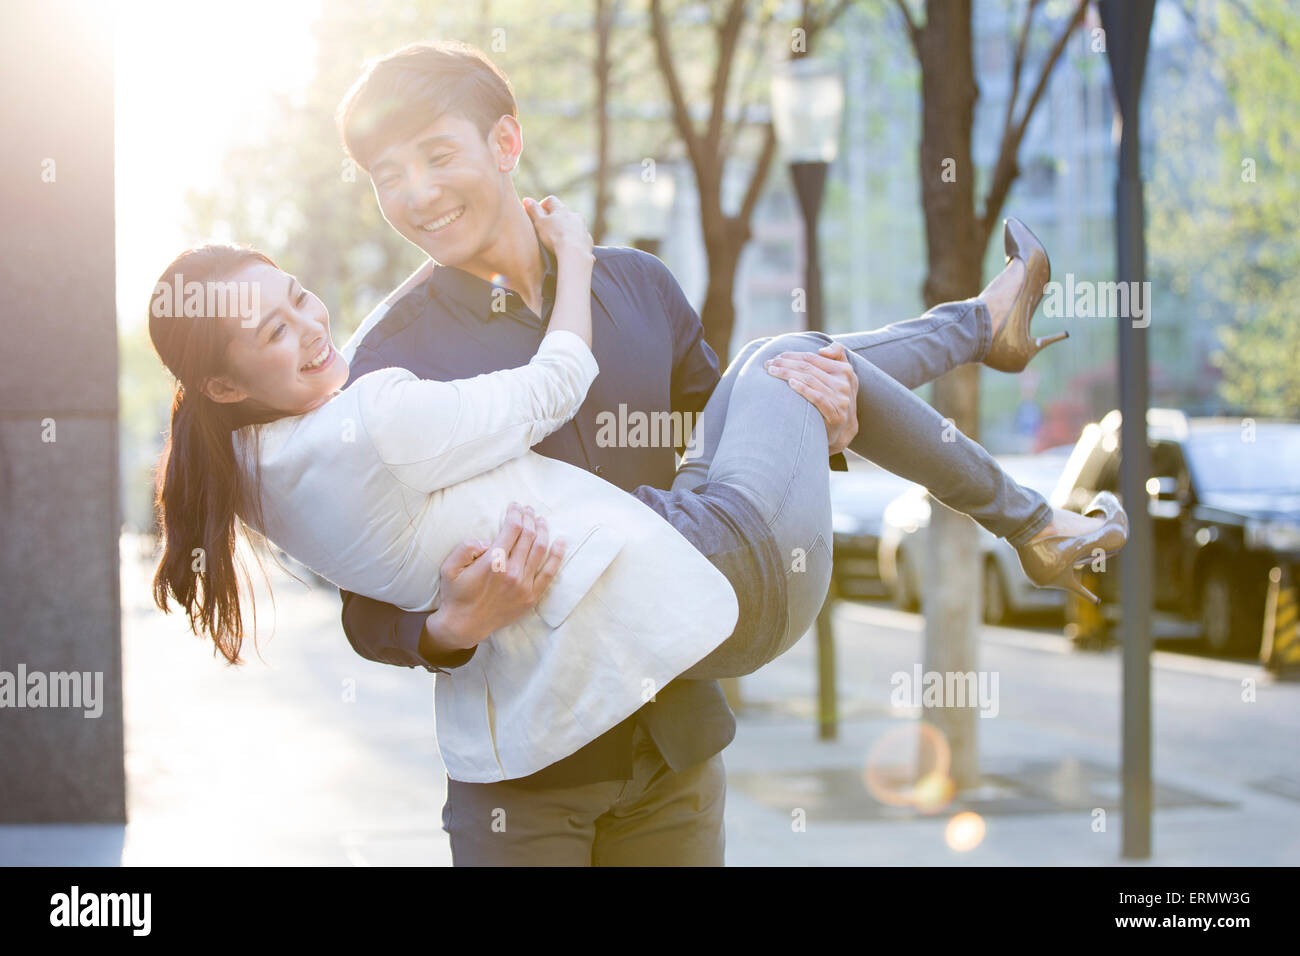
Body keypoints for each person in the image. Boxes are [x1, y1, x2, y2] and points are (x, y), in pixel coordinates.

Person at [150, 194, 1127, 859]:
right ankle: (996, 391)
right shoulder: (379, 363)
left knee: (787, 362)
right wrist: (444, 628)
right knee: (784, 354)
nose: (415, 191)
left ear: (507, 142)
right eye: (388, 172)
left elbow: (726, 424)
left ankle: (993, 379)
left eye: (435, 155)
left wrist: (828, 420)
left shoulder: (637, 287)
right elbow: (370, 597)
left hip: (673, 719)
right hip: (531, 766)